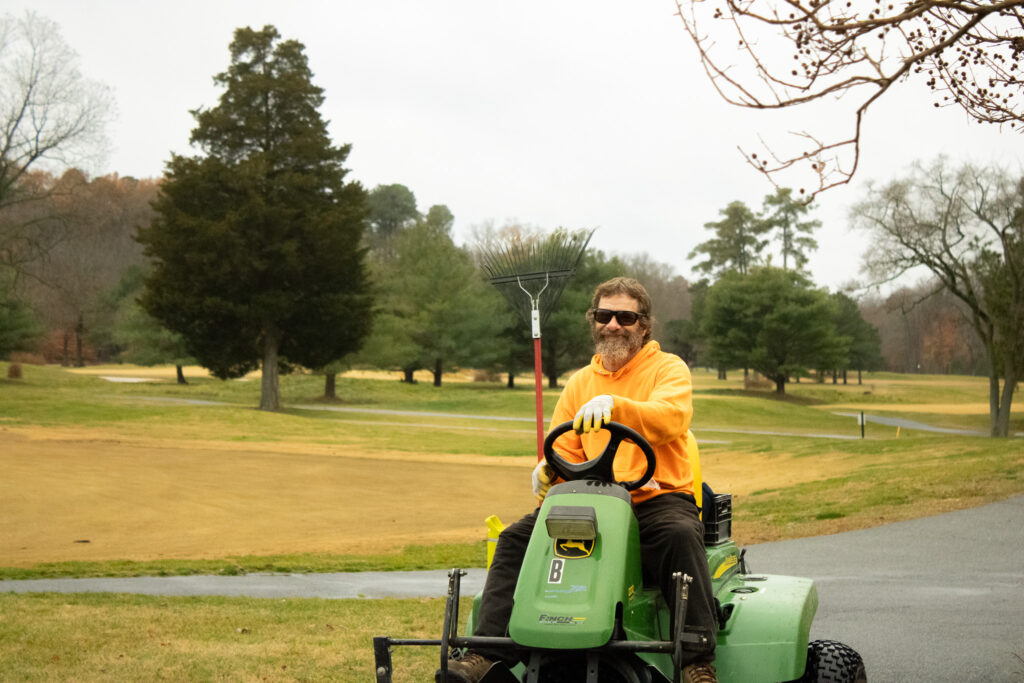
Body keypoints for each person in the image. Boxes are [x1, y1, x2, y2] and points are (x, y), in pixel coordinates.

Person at [439, 277, 718, 683]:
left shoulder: (667, 369)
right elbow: (566, 447)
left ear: (644, 324)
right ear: (594, 320)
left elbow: (671, 416)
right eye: (605, 315)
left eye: (626, 316)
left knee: (680, 535)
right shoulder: (580, 383)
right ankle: (484, 654)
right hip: (594, 499)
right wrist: (548, 470)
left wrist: (617, 406)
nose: (614, 325)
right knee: (518, 538)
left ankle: (696, 662)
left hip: (654, 498)